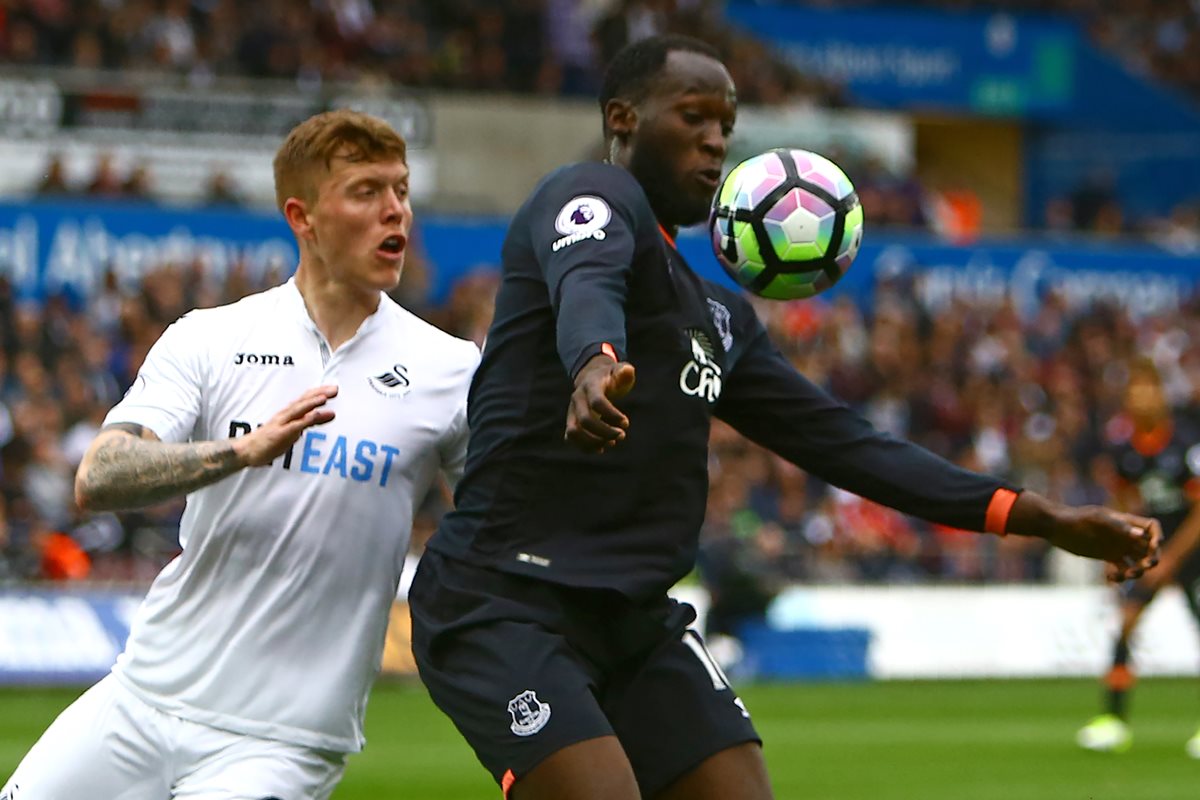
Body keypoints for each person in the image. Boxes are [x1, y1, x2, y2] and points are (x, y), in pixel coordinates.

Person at [407, 34, 1160, 800]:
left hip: (631, 617)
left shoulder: (717, 318)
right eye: (693, 116)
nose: (715, 140)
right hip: (503, 598)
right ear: (623, 119)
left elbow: (850, 447)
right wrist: (595, 361)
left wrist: (1041, 517)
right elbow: (587, 280)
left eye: (726, 125)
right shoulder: (591, 197)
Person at [2, 109, 479, 800]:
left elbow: (503, 527)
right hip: (142, 697)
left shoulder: (450, 369)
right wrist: (239, 451)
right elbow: (98, 475)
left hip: (282, 741)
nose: (394, 210)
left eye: (400, 190)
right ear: (303, 216)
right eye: (366, 191)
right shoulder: (211, 337)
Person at [1077, 358, 1200, 757]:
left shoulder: (1186, 445)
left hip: (1192, 549)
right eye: (1134, 393)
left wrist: (1173, 560)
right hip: (1153, 549)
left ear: (1161, 397)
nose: (1141, 399)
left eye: (1148, 390)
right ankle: (1113, 721)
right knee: (1125, 623)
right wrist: (1116, 550)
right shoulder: (1124, 450)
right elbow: (1123, 502)